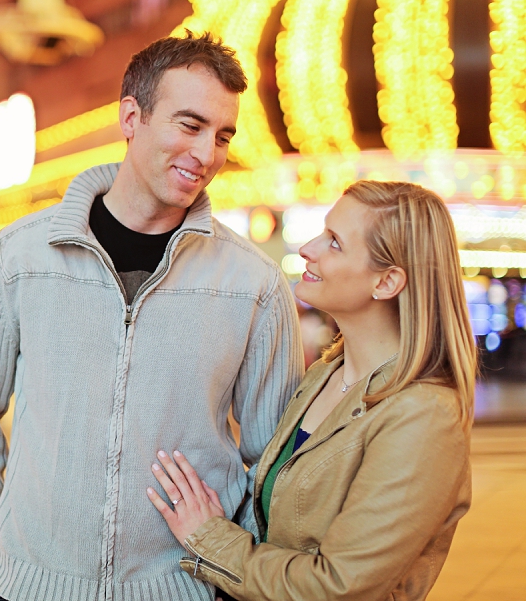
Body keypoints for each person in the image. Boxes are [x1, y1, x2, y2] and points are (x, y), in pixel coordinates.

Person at [0, 32, 303, 601]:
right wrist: (0, 573)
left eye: (222, 135)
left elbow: (273, 459)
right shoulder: (20, 257)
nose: (207, 154)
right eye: (189, 125)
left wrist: (228, 576)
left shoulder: (253, 283)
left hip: (186, 590)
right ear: (131, 116)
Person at [147, 181, 476, 600]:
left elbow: (339, 587)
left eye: (335, 243)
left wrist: (210, 539)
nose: (308, 248)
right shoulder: (324, 374)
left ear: (388, 281)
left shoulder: (424, 413)